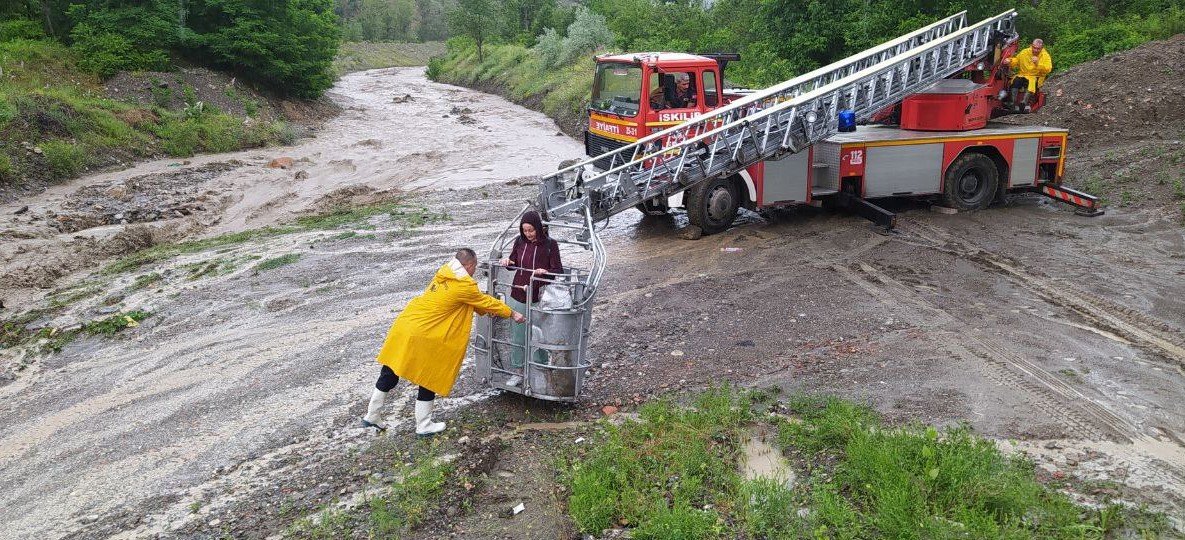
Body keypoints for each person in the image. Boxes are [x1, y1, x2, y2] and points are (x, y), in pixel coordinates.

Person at [362, 248, 525, 435]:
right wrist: (512, 312)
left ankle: (372, 415)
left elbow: (465, 303)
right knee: (430, 375)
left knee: (390, 371)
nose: (474, 271)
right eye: (475, 267)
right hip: (425, 333)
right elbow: (484, 302)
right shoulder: (464, 285)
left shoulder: (444, 274)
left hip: (406, 325)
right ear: (469, 265)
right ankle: (424, 425)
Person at [499, 210, 563, 385]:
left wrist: (545, 272)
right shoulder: (519, 241)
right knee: (518, 334)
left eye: (531, 231)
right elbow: (514, 264)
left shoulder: (551, 244)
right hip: (518, 293)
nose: (528, 234)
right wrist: (508, 262)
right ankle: (518, 371)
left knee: (540, 333)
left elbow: (558, 271)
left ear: (538, 228)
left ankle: (542, 367)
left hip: (539, 296)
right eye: (525, 231)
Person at [1005, 38, 1052, 112]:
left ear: (1042, 48)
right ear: (1031, 45)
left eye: (1038, 49)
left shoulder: (1045, 56)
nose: (1036, 50)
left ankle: (1024, 103)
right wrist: (1010, 61)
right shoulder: (1024, 52)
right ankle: (1012, 103)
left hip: (1036, 76)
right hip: (1023, 74)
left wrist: (1038, 63)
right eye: (1034, 48)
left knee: (1031, 83)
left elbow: (1048, 69)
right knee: (1016, 80)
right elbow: (1016, 60)